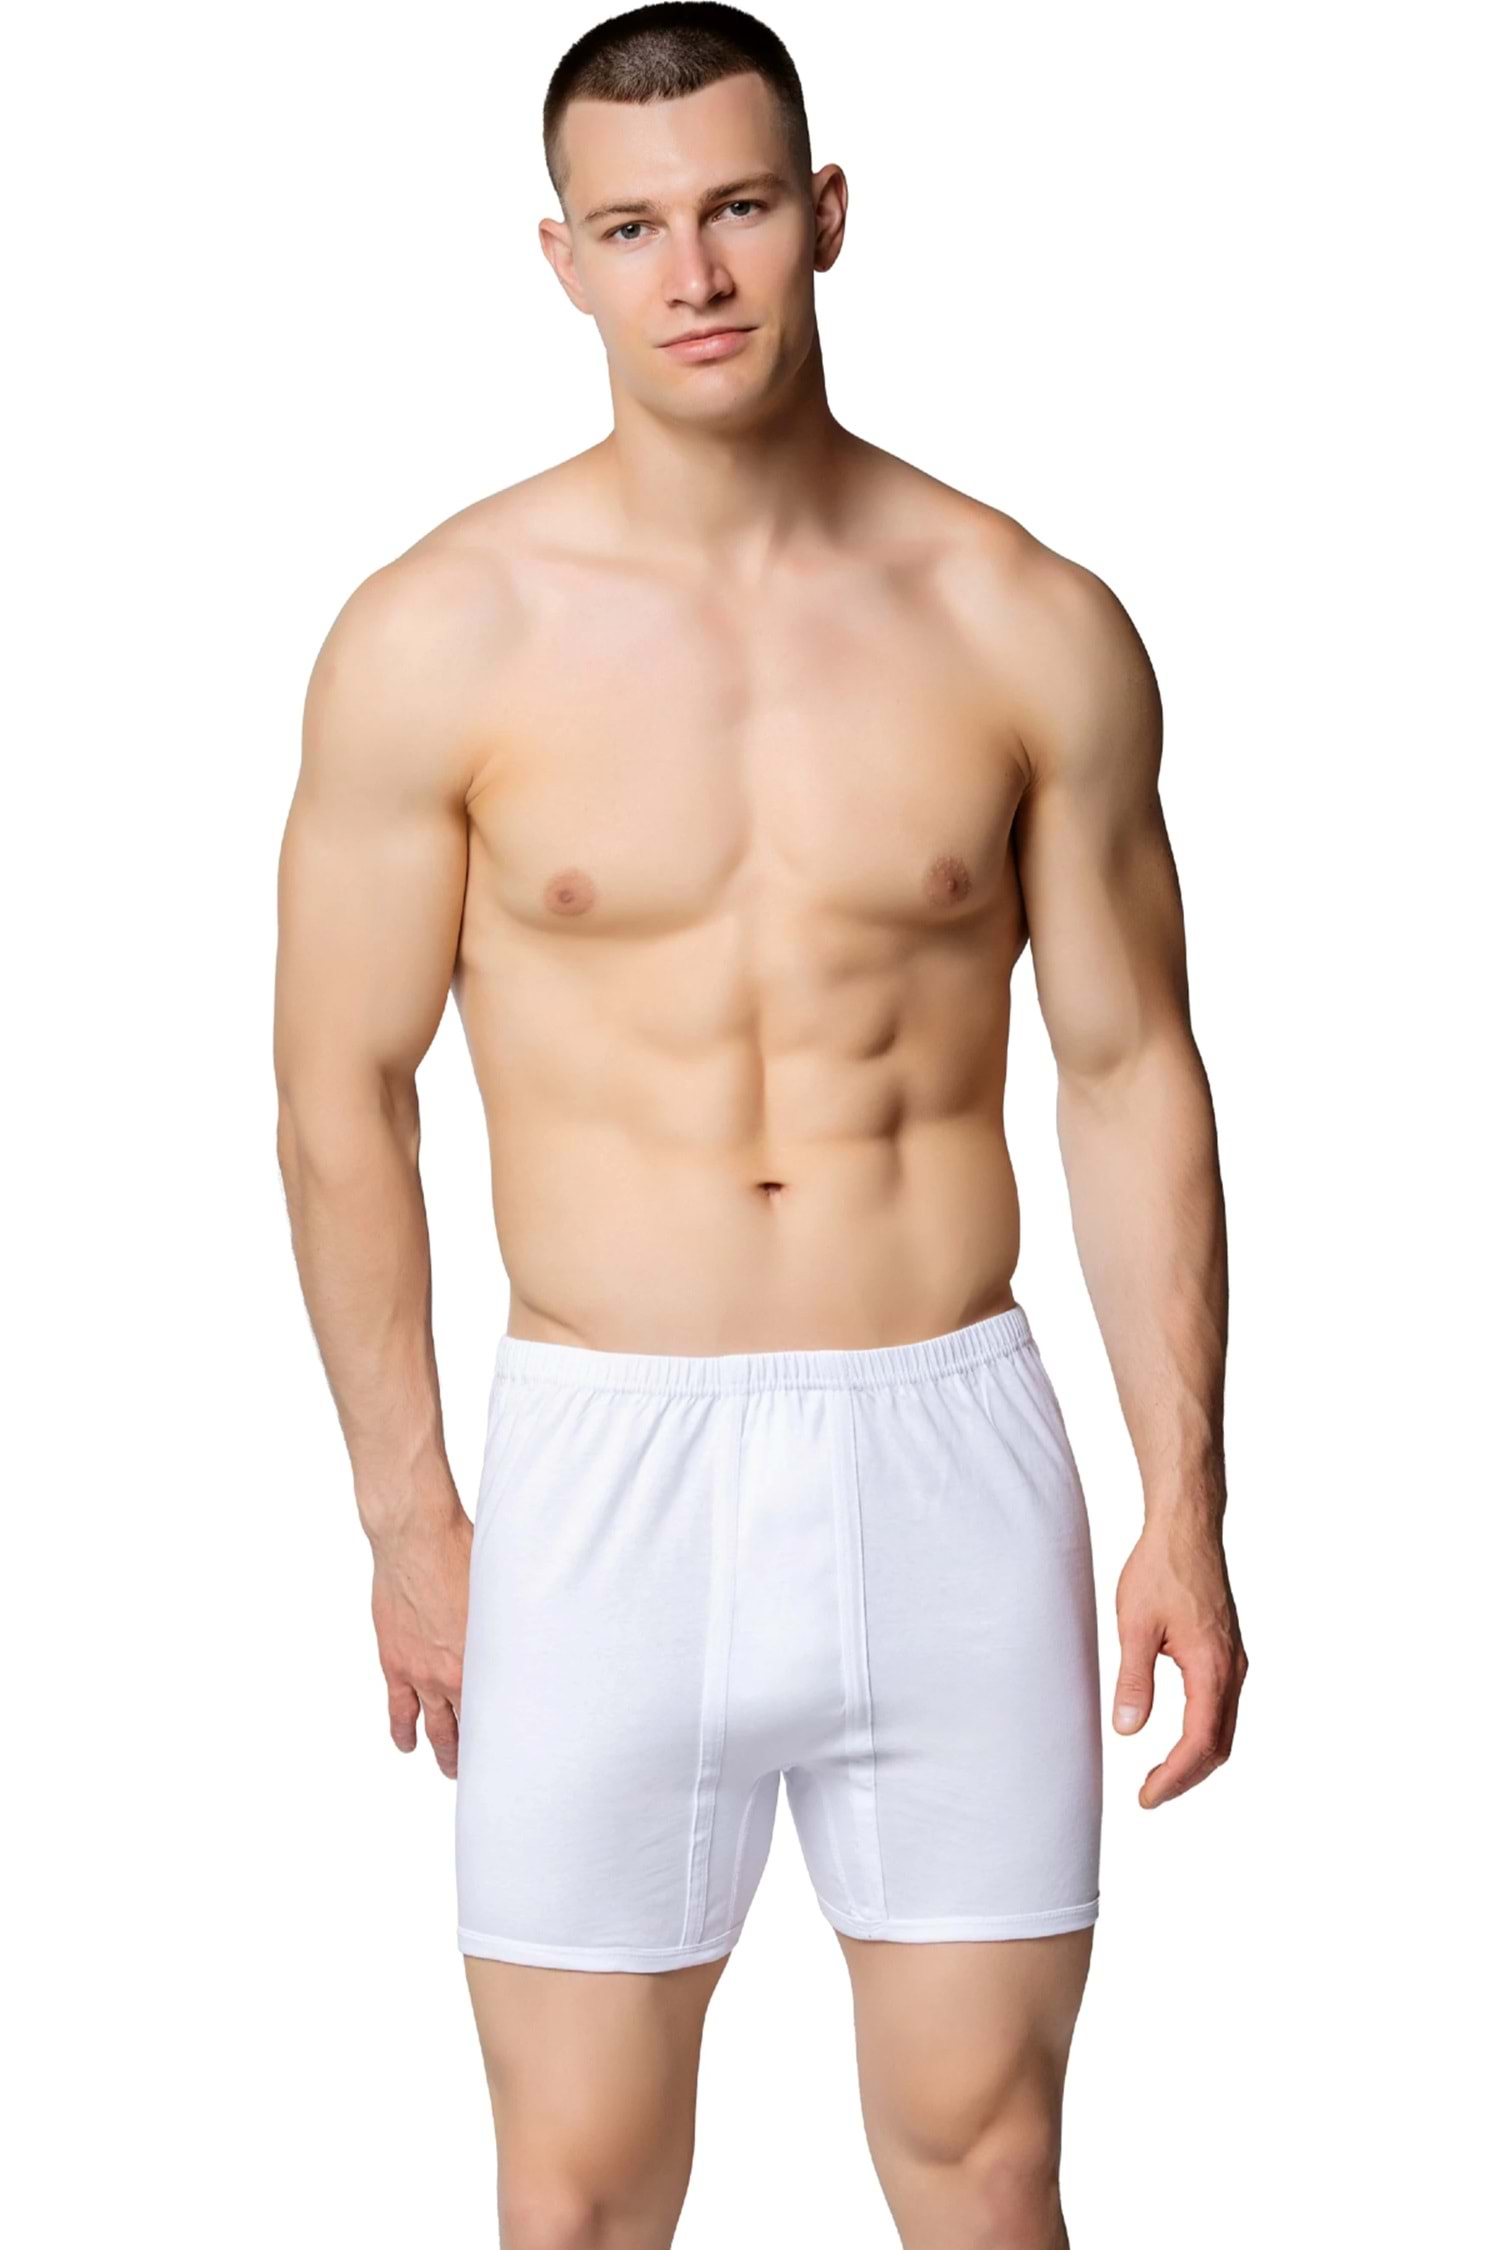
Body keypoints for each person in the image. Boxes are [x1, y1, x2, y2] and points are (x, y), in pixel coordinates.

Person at [272, 5, 1248, 2243]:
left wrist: (1184, 1504)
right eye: (631, 227)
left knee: (989, 2165)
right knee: (579, 2193)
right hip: (604, 1460)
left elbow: (1130, 1068)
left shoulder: (1021, 618)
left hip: (948, 1448)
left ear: (825, 215)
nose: (693, 272)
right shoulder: (439, 636)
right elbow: (338, 1090)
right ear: (561, 260)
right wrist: (411, 1516)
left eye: (733, 209)